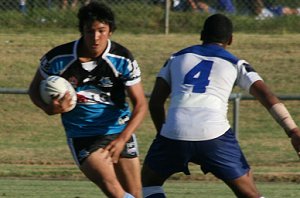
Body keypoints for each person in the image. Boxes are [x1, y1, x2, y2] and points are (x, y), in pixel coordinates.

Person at [141, 13, 300, 198]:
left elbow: (155, 103)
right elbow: (267, 96)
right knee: (249, 192)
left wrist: (164, 133)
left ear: (201, 35)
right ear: (230, 40)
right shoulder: (236, 63)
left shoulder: (176, 57)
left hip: (174, 130)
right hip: (214, 134)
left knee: (148, 184)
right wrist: (292, 130)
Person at [28, 2, 147, 198]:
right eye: (90, 31)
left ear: (110, 31)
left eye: (101, 30)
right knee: (115, 192)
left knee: (135, 194)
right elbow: (33, 90)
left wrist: (123, 138)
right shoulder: (59, 58)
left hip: (119, 131)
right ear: (82, 30)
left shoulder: (122, 59)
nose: (95, 37)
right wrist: (48, 108)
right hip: (83, 135)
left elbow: (141, 104)